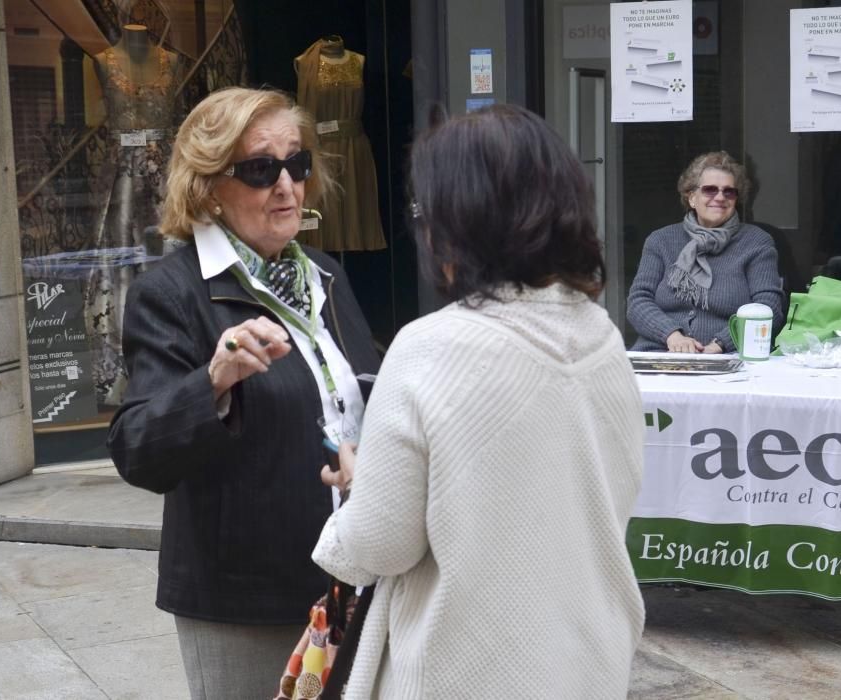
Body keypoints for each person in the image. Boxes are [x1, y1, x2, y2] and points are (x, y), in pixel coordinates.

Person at [312, 104, 646, 698]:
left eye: (424, 210)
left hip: (466, 668)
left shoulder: (429, 347)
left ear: (457, 220)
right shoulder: (603, 337)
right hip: (587, 661)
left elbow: (380, 544)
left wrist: (357, 487)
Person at [107, 87, 380, 699]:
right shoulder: (172, 294)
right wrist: (214, 381)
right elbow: (137, 448)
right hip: (246, 601)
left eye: (297, 163)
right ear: (208, 188)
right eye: (260, 169)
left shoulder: (327, 276)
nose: (286, 185)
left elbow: (360, 401)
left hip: (349, 579)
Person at [626, 150, 784, 353]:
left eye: (729, 192)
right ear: (691, 197)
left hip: (731, 356)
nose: (720, 197)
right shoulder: (661, 240)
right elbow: (638, 301)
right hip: (660, 350)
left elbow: (767, 307)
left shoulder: (756, 242)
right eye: (710, 190)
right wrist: (671, 336)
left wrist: (719, 345)